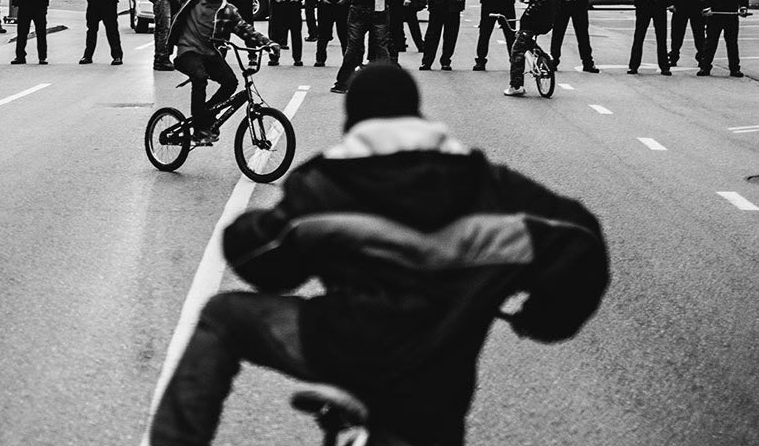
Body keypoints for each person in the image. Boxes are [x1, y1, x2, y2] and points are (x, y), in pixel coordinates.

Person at [149, 62, 610, 446]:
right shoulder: (487, 182)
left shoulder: (326, 183)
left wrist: (265, 226)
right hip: (440, 376)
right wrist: (545, 318)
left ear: (354, 119)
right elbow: (581, 239)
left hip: (343, 348)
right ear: (416, 114)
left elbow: (260, 261)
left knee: (223, 315)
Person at [145, 0, 277, 145]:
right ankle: (200, 128)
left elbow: (246, 30)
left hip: (209, 54)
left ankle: (205, 115)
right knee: (200, 78)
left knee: (231, 82)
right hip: (187, 52)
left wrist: (268, 43)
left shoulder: (228, 10)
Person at [505, 0, 558, 96]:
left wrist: (525, 19)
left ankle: (516, 86)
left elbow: (538, 4)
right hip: (546, 23)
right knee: (528, 45)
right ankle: (545, 60)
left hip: (533, 23)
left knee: (517, 51)